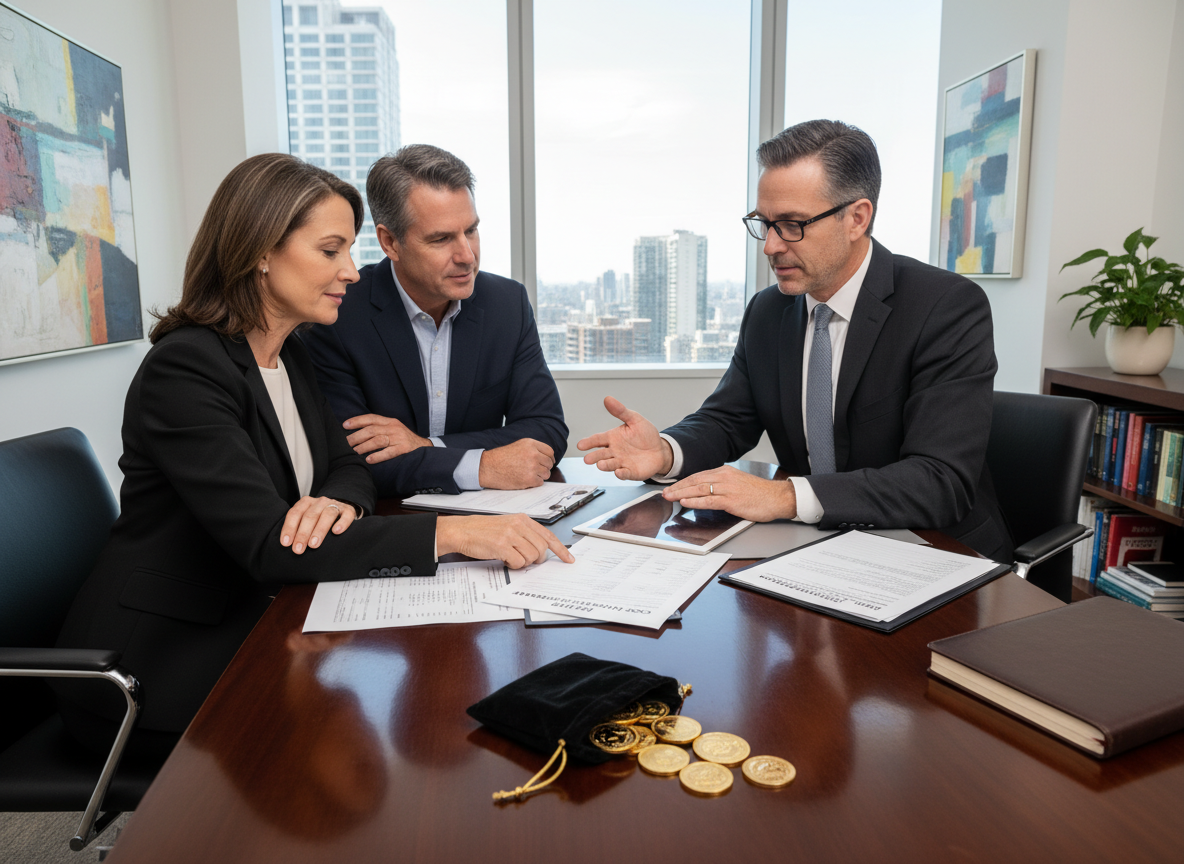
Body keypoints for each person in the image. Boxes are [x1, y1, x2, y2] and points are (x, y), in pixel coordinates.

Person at [52, 154, 572, 755]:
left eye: (349, 251)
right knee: (354, 736)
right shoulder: (186, 369)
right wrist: (452, 535)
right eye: (331, 252)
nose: (352, 273)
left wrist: (333, 498)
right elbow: (271, 545)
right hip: (155, 661)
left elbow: (346, 465)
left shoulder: (287, 353)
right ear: (260, 253)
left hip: (253, 612)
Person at [577, 120, 1011, 561]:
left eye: (791, 225)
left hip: (938, 549)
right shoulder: (769, 310)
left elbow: (940, 481)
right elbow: (728, 421)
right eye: (764, 223)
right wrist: (666, 453)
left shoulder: (944, 306)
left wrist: (783, 497)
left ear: (857, 218)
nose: (769, 246)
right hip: (820, 548)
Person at [301, 144, 567, 498]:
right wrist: (482, 465)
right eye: (441, 239)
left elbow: (546, 430)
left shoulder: (507, 303)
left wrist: (425, 444)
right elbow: (351, 458)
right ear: (390, 242)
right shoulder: (337, 313)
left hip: (495, 515)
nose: (467, 256)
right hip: (393, 527)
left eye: (470, 230)